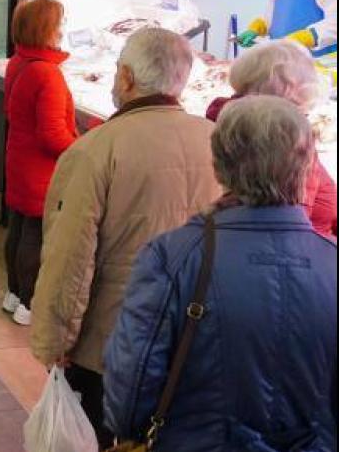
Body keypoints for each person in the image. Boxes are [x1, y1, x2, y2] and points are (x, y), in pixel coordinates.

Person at [104, 96, 337, 452]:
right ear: (307, 166)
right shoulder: (331, 261)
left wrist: (130, 428)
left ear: (219, 165)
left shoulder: (173, 256)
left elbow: (133, 383)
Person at [31, 27, 222, 448]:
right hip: (192, 337)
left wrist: (55, 339)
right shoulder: (216, 141)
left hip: (110, 342)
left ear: (127, 78)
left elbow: (70, 257)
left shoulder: (95, 149)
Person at [206, 39, 336, 236]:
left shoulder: (227, 120)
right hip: (300, 255)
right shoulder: (284, 137)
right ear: (289, 89)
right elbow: (291, 223)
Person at [1, 0, 78, 327]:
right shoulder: (48, 74)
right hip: (41, 169)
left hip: (19, 159)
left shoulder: (19, 62)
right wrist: (82, 148)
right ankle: (28, 303)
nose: (61, 29)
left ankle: (13, 293)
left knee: (18, 228)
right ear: (45, 29)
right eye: (58, 23)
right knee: (35, 234)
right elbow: (52, 135)